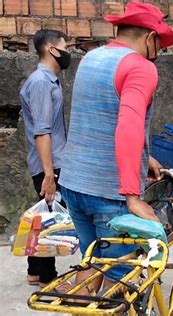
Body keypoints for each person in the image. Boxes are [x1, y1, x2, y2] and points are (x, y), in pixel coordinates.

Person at [58, 2, 173, 294]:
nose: (160, 49)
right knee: (118, 280)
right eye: (159, 41)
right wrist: (132, 195)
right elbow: (128, 126)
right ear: (150, 37)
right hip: (108, 192)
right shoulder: (141, 67)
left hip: (74, 183)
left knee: (91, 262)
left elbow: (100, 116)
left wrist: (145, 158)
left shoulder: (90, 58)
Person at [19, 29, 70, 289]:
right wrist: (49, 174)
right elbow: (42, 131)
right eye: (65, 46)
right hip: (48, 163)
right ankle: (47, 279)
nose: (68, 52)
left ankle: (34, 271)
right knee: (52, 220)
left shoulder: (49, 79)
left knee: (44, 215)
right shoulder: (41, 82)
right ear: (51, 49)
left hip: (52, 160)